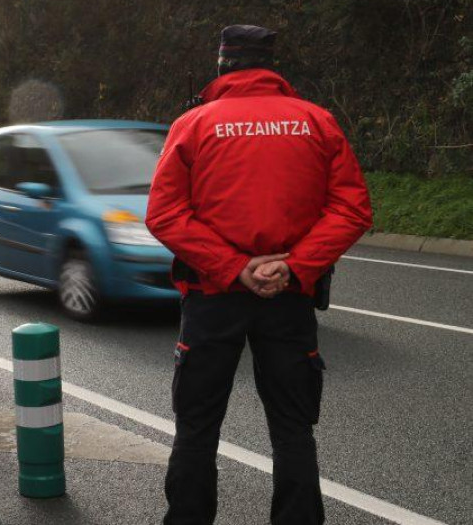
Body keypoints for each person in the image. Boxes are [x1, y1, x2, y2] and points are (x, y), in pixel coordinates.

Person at [145, 25, 373, 524]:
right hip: (290, 296)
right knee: (292, 428)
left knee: (197, 427)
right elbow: (352, 209)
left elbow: (163, 214)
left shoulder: (195, 124)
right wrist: (293, 265)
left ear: (223, 65)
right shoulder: (317, 122)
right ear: (272, 67)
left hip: (212, 294)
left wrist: (232, 267)